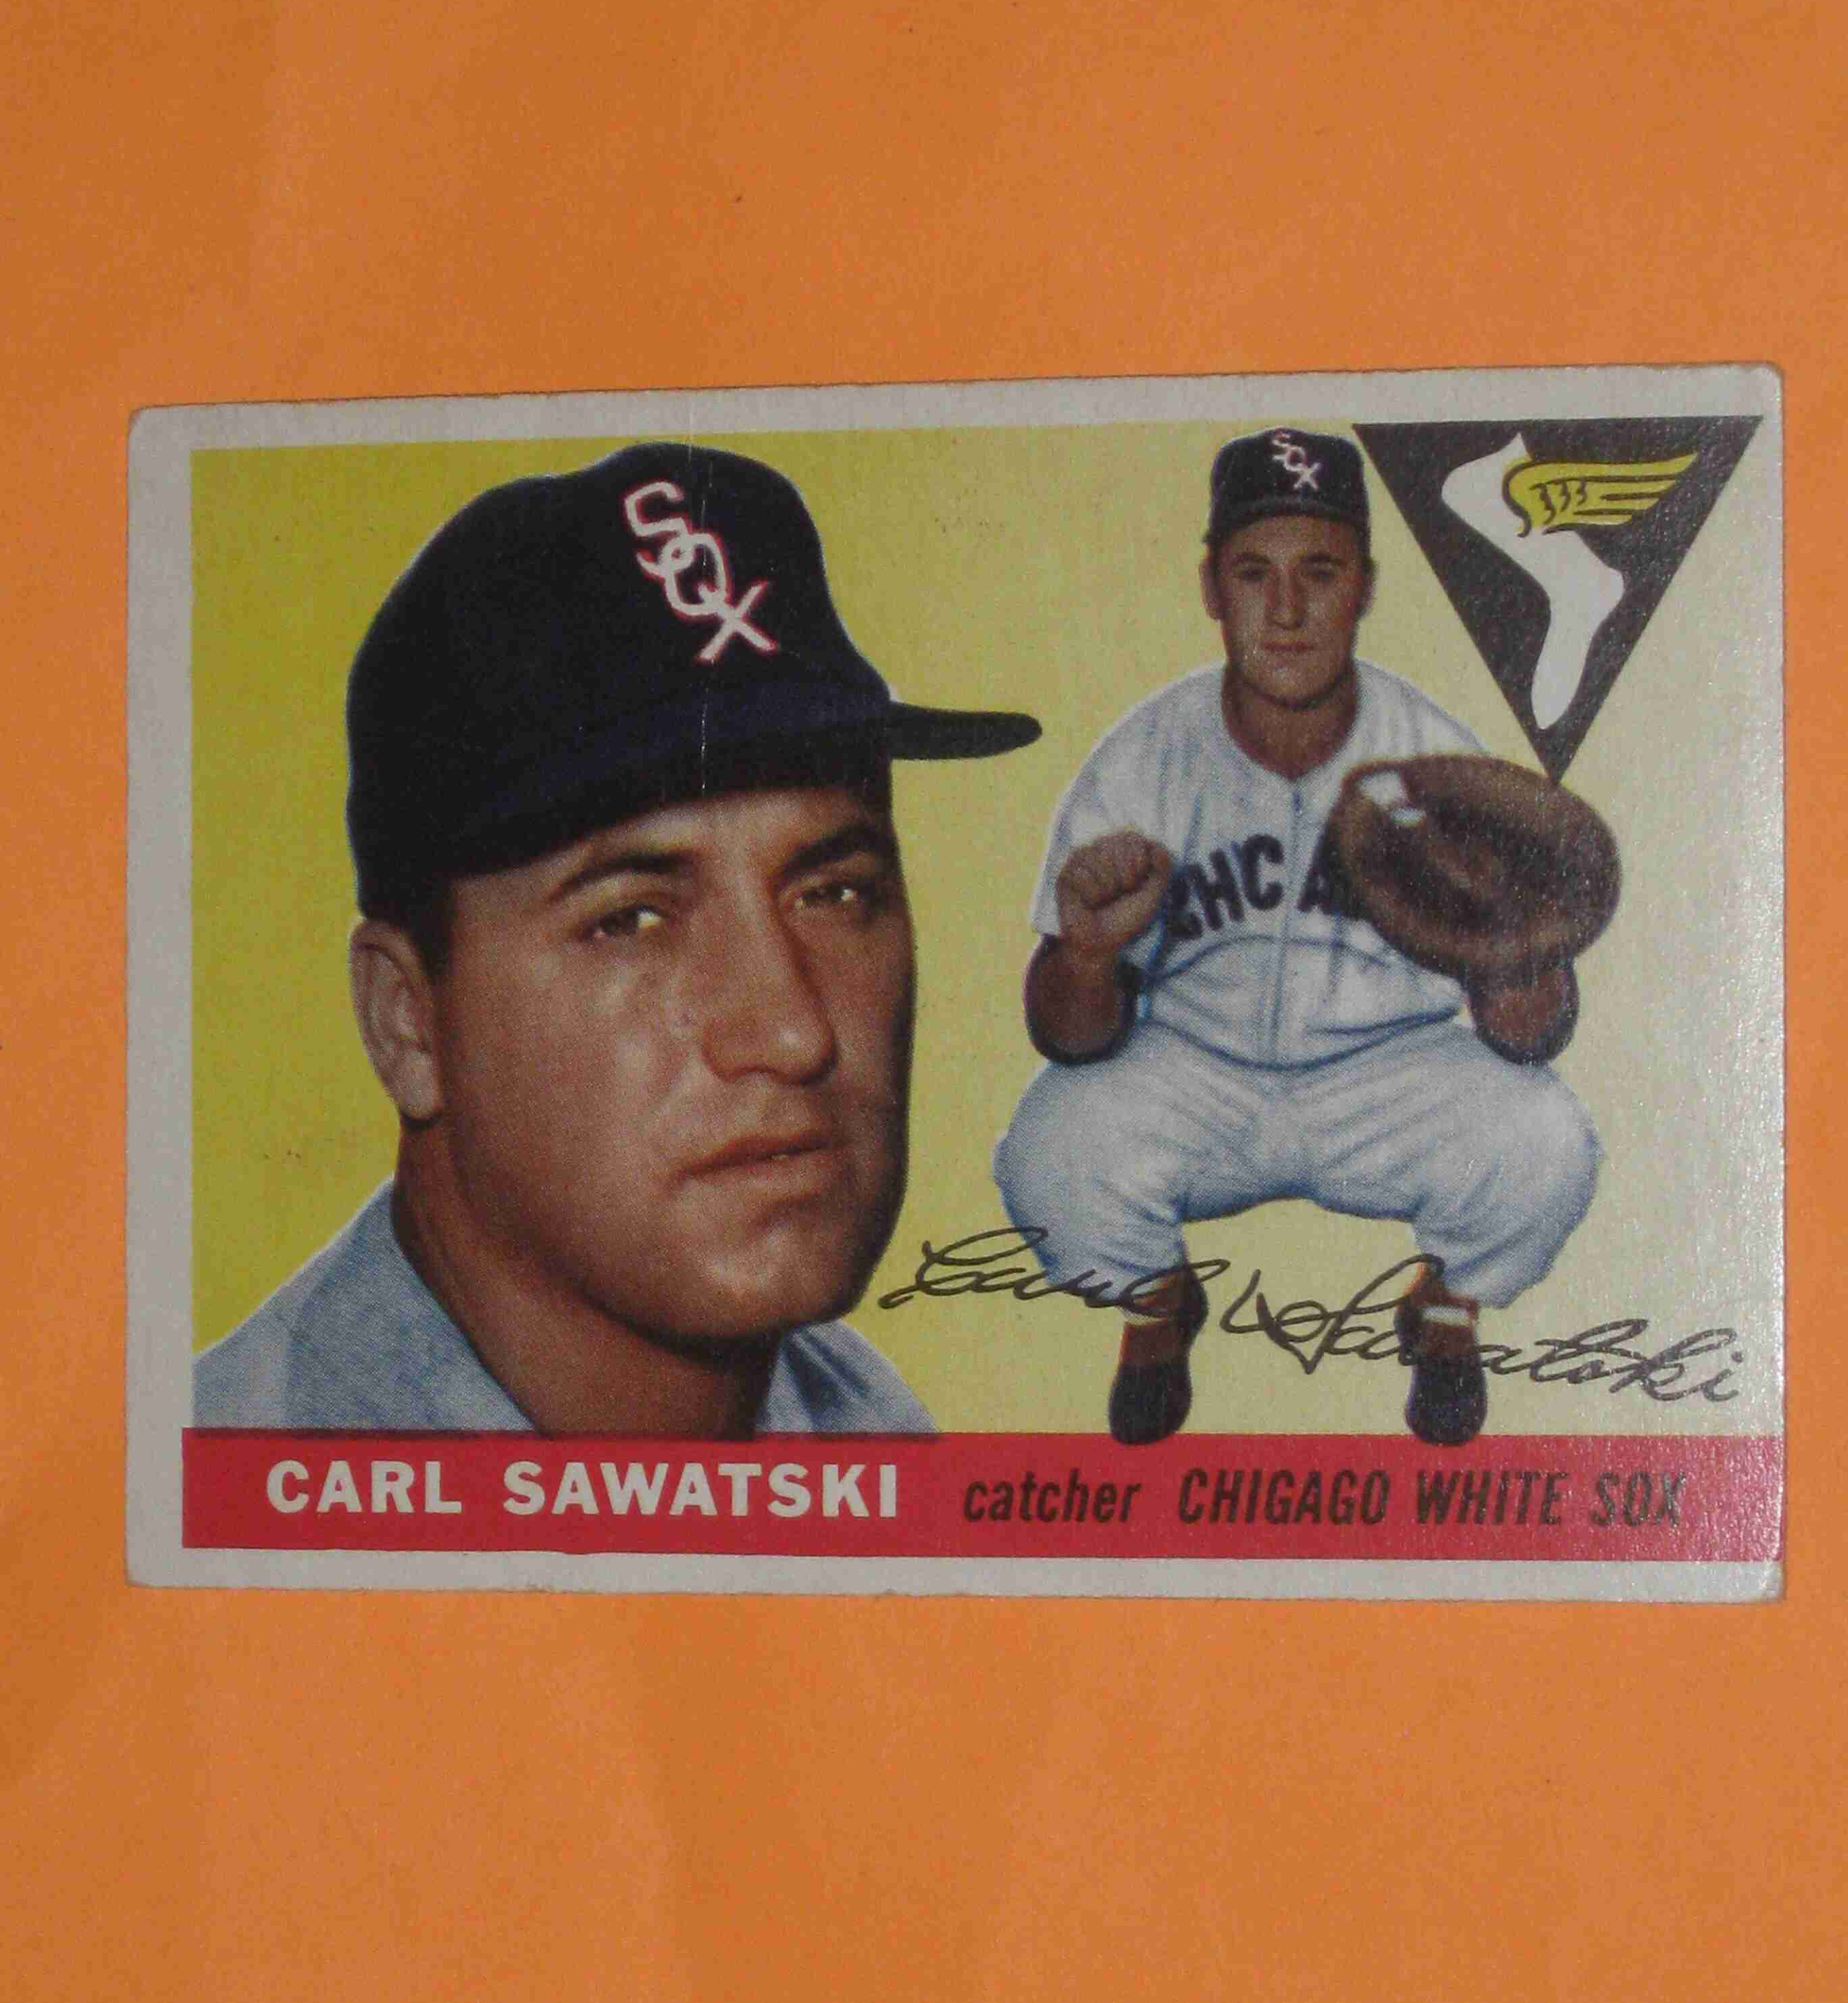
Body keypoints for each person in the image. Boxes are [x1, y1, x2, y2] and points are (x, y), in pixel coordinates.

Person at [196, 442, 1040, 1438]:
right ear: (407, 1024)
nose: (791, 1032)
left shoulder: (869, 1425)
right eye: (630, 919)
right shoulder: (228, 1481)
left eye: (834, 893)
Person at [992, 428, 1598, 1448]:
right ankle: (1159, 1303)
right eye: (1254, 573)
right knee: (1047, 1152)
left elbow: (1532, 1037)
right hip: (1194, 1070)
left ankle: (1445, 1309)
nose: (1285, 609)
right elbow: (1067, 1037)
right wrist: (1085, 955)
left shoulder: (1435, 757)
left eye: (1320, 572)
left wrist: (1513, 956)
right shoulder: (1144, 758)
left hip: (1390, 1076)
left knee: (1549, 1142)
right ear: (1210, 587)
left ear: (1365, 588)